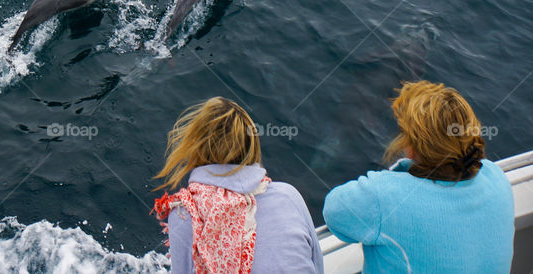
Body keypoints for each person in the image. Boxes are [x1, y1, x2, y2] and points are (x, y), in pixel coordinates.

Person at [323, 80, 514, 273]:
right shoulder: (497, 177)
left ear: (412, 148)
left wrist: (402, 171)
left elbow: (333, 211)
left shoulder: (384, 197)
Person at [152, 97, 323, 274]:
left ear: (196, 147)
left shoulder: (183, 215)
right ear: (251, 146)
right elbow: (317, 266)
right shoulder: (288, 196)